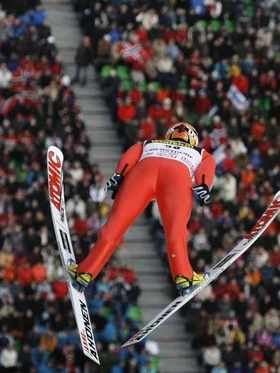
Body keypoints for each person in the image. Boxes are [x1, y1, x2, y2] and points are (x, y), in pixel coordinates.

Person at [69, 122, 215, 294]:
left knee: (114, 226)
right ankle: (183, 276)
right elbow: (208, 163)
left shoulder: (150, 143)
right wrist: (204, 185)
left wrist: (119, 174)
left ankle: (86, 271)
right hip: (177, 176)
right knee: (176, 230)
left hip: (143, 173)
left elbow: (131, 154)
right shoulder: (199, 152)